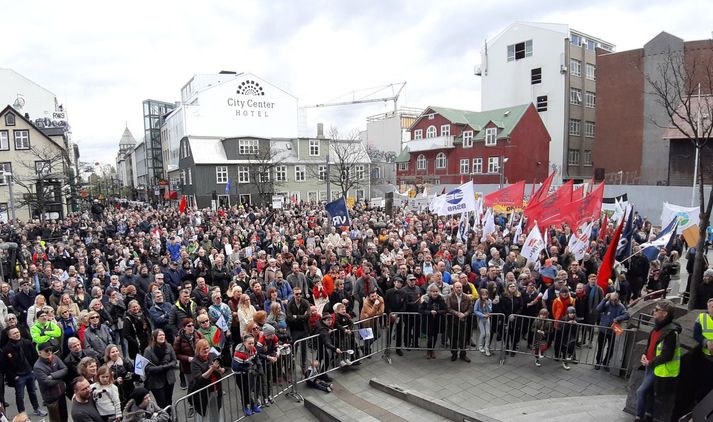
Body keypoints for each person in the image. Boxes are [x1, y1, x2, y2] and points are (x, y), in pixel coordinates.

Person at [635, 300, 681, 422]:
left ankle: (638, 417)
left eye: (656, 309)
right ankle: (649, 415)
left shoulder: (670, 332)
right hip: (650, 365)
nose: (653, 311)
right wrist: (644, 355)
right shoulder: (657, 327)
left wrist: (649, 362)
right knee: (649, 393)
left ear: (664, 313)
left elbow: (667, 355)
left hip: (658, 368)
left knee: (641, 391)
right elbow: (650, 345)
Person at [1, 327, 47, 416]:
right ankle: (22, 414)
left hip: (30, 372)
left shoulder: (27, 343)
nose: (17, 334)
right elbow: (5, 366)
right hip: (19, 376)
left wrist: (34, 369)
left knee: (32, 392)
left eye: (18, 332)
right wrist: (14, 376)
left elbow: (34, 356)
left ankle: (36, 409)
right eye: (14, 333)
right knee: (19, 396)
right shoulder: (7, 349)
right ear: (10, 336)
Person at [189, 339, 225, 422]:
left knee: (216, 410)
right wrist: (212, 369)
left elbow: (222, 370)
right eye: (203, 349)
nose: (206, 350)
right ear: (198, 350)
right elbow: (200, 378)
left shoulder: (212, 355)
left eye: (207, 348)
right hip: (203, 392)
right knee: (202, 412)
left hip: (216, 389)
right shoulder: (195, 362)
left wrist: (218, 369)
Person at [142, 329, 177, 411]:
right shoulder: (148, 350)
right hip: (156, 382)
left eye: (163, 335)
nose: (162, 337)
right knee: (161, 403)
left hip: (169, 378)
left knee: (169, 401)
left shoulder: (169, 346)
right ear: (154, 337)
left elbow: (174, 361)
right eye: (160, 335)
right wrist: (161, 368)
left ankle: (169, 416)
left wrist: (167, 366)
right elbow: (147, 368)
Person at [33, 342, 68, 422]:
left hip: (61, 393)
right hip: (51, 398)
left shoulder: (55, 357)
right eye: (46, 350)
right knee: (55, 419)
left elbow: (65, 369)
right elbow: (47, 382)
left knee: (64, 417)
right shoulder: (37, 366)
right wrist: (60, 378)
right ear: (39, 352)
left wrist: (52, 376)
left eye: (50, 350)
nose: (49, 352)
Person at [595, 292, 630, 370]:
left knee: (610, 348)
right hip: (603, 329)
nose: (614, 301)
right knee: (600, 347)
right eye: (612, 300)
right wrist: (604, 299)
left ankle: (606, 362)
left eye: (615, 300)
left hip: (613, 331)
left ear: (618, 298)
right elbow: (598, 309)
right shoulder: (607, 303)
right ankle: (598, 362)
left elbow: (626, 315)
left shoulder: (621, 306)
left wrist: (618, 318)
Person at [232, 334, 261, 416]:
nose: (251, 345)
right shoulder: (239, 353)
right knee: (244, 390)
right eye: (249, 343)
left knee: (249, 388)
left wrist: (259, 366)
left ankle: (252, 405)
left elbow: (256, 357)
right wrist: (247, 368)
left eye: (253, 343)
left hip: (248, 372)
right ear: (244, 343)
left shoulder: (253, 349)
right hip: (239, 374)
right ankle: (246, 407)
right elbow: (236, 367)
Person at [446, 281, 474, 362]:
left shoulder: (467, 297)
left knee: (463, 338)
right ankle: (454, 354)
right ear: (454, 288)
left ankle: (463, 354)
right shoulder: (449, 296)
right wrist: (457, 313)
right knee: (453, 337)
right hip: (453, 320)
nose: (459, 289)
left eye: (460, 287)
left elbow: (470, 308)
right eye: (457, 287)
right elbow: (448, 308)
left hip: (463, 320)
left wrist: (464, 314)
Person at [174, 318, 204, 391]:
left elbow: (204, 345)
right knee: (193, 385)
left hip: (200, 364)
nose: (192, 327)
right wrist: (188, 358)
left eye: (193, 325)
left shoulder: (198, 334)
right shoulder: (178, 339)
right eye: (189, 326)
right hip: (188, 367)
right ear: (184, 328)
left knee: (202, 383)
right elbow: (176, 354)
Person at [693, 298, 713, 403]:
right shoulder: (701, 318)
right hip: (707, 358)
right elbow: (696, 334)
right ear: (708, 308)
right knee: (704, 383)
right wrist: (706, 342)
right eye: (712, 307)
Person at [419, 285, 447, 359]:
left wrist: (437, 312)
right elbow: (421, 310)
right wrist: (430, 312)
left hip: (437, 321)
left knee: (435, 336)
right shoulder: (426, 299)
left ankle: (432, 350)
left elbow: (445, 309)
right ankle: (429, 351)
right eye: (433, 292)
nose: (435, 293)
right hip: (428, 321)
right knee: (429, 337)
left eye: (436, 291)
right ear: (430, 292)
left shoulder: (441, 299)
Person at [104, 344, 135, 408]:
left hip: (128, 390)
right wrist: (115, 381)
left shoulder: (126, 362)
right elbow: (106, 381)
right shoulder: (106, 366)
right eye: (113, 352)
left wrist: (127, 377)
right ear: (108, 354)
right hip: (116, 393)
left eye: (116, 351)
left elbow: (133, 374)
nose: (115, 353)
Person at [473, 288, 493, 357]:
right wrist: (482, 315)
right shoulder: (478, 301)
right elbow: (475, 310)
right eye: (483, 295)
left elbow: (490, 310)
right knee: (483, 333)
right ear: (480, 295)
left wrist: (487, 305)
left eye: (486, 295)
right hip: (480, 319)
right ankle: (480, 346)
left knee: (488, 334)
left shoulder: (489, 301)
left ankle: (486, 348)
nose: (485, 296)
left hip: (487, 319)